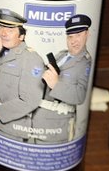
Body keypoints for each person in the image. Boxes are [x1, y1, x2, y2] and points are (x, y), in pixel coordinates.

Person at [0, 8, 45, 141]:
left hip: (13, 128)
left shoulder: (31, 59)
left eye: (10, 30)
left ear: (21, 36)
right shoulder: (3, 51)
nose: (3, 33)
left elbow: (30, 100)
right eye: (1, 28)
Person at [30, 14, 93, 143]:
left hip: (57, 125)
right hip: (37, 119)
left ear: (87, 34)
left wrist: (56, 84)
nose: (74, 41)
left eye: (78, 35)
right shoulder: (62, 55)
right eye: (70, 36)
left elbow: (80, 96)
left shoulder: (85, 62)